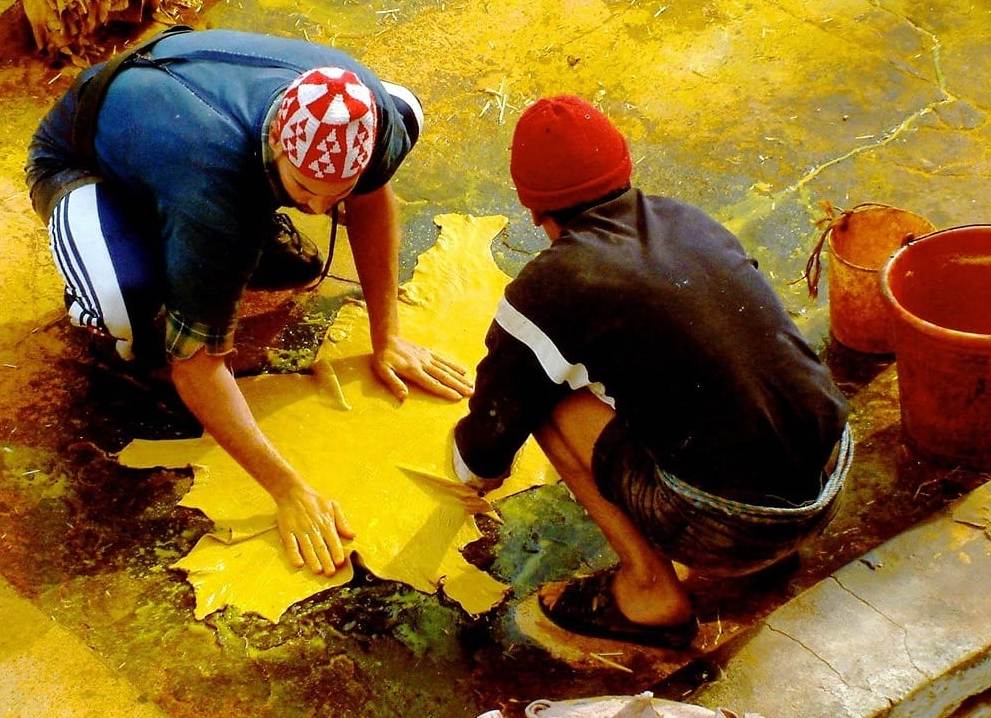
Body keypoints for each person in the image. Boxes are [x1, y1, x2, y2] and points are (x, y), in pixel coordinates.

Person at [25, 28, 474, 578]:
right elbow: (195, 367)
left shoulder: (370, 112)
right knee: (128, 307)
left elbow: (371, 196)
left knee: (391, 123)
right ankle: (126, 259)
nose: (319, 207)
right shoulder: (213, 184)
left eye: (335, 195)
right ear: (278, 146)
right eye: (303, 189)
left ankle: (218, 234)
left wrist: (389, 337)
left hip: (188, 118)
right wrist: (288, 490)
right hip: (85, 155)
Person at [451, 96, 852, 648]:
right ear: (625, 169)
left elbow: (488, 440)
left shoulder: (551, 286)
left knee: (546, 399)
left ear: (532, 209)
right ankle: (766, 554)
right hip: (829, 476)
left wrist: (473, 474)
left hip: (737, 528)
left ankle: (647, 589)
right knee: (701, 373)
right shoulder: (690, 221)